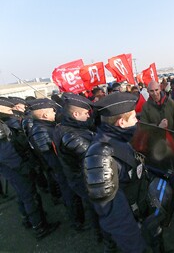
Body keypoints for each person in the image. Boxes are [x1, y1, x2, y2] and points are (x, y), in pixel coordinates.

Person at [84, 92, 147, 252]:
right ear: (121, 122)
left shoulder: (118, 139)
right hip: (129, 228)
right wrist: (137, 247)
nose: (137, 121)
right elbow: (114, 215)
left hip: (137, 209)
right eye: (133, 117)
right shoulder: (101, 158)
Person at [0, 97, 59, 239]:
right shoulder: (2, 126)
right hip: (16, 167)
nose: (11, 112)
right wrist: (24, 167)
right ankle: (39, 226)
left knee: (23, 195)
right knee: (29, 196)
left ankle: (29, 219)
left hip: (13, 166)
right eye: (8, 109)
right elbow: (7, 152)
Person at [27, 98, 84, 231]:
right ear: (45, 115)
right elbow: (50, 154)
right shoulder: (40, 130)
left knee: (72, 195)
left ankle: (77, 219)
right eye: (52, 111)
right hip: (60, 169)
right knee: (70, 195)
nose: (55, 113)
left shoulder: (45, 126)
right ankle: (77, 222)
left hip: (62, 168)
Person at [52, 93, 100, 234]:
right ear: (76, 114)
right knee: (95, 208)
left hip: (76, 175)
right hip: (82, 178)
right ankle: (102, 236)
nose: (88, 116)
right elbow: (93, 156)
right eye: (86, 113)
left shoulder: (65, 126)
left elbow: (86, 125)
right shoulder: (72, 136)